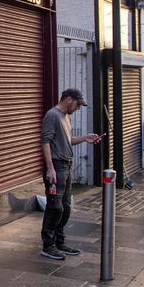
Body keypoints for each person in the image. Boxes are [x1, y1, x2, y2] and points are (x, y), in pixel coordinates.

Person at [40, 88, 103, 260]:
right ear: (68, 100)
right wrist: (50, 168)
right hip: (57, 167)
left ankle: (60, 242)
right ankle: (48, 245)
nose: (77, 108)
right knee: (55, 207)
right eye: (77, 104)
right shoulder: (52, 115)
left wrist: (85, 138)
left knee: (66, 207)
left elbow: (67, 141)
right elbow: (45, 142)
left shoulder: (66, 117)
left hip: (67, 165)